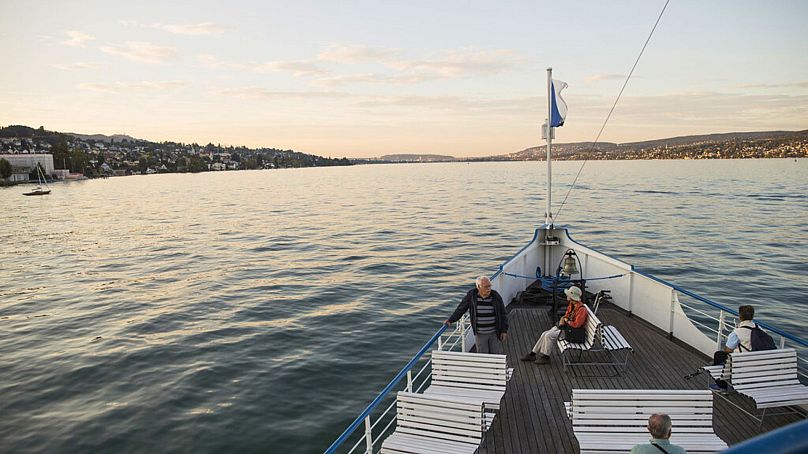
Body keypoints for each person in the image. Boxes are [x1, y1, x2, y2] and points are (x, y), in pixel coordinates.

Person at [520, 285, 587, 364]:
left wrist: (566, 320)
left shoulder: (581, 310)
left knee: (549, 335)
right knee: (544, 333)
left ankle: (545, 356)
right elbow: (567, 316)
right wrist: (563, 319)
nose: (567, 296)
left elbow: (576, 325)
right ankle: (533, 353)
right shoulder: (572, 305)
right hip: (567, 328)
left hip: (572, 332)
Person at [444, 276, 508, 354]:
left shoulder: (495, 296)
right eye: (486, 287)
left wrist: (504, 330)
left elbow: (503, 313)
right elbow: (461, 309)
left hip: (494, 332)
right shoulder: (471, 296)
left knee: (496, 355)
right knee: (483, 356)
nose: (489, 289)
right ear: (478, 287)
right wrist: (451, 320)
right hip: (480, 333)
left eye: (489, 286)